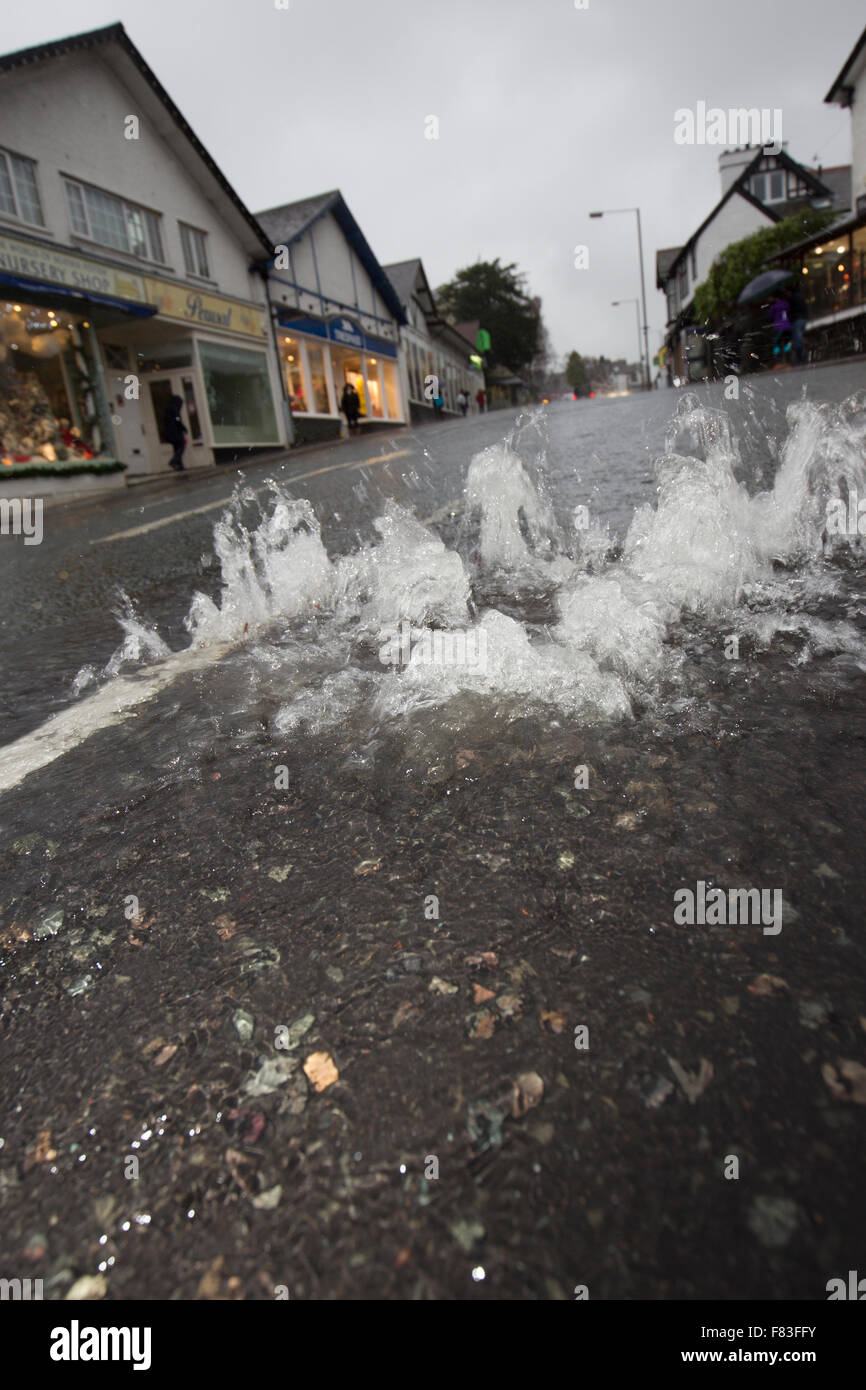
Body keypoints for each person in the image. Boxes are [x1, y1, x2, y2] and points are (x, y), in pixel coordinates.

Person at [163, 395, 187, 470]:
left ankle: (180, 466)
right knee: (181, 446)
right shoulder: (174, 409)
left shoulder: (167, 409)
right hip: (176, 432)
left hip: (169, 433)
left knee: (176, 448)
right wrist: (183, 427)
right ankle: (174, 461)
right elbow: (177, 419)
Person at [787, 284, 808, 366]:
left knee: (798, 341)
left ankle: (802, 359)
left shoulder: (792, 299)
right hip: (802, 319)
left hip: (797, 320)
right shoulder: (800, 297)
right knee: (799, 339)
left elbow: (791, 311)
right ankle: (802, 358)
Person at [769, 295, 792, 366]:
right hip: (787, 326)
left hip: (779, 327)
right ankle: (788, 360)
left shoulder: (774, 306)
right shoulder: (786, 304)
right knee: (787, 343)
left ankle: (778, 361)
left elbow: (769, 315)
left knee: (777, 344)